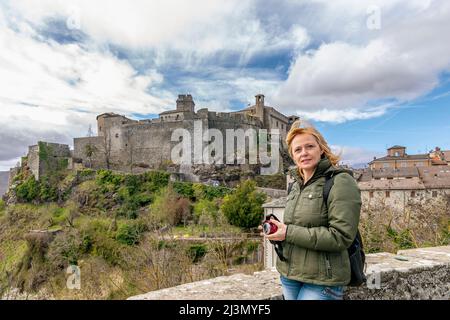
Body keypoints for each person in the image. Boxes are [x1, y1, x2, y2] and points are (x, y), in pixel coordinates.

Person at [260, 120, 361, 300]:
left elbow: (341, 236)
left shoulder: (340, 182)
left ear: (321, 149)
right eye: (298, 150)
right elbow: (298, 227)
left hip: (324, 280)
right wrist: (277, 232)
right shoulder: (295, 186)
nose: (304, 153)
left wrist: (288, 232)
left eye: (310, 146)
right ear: (292, 155)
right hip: (290, 275)